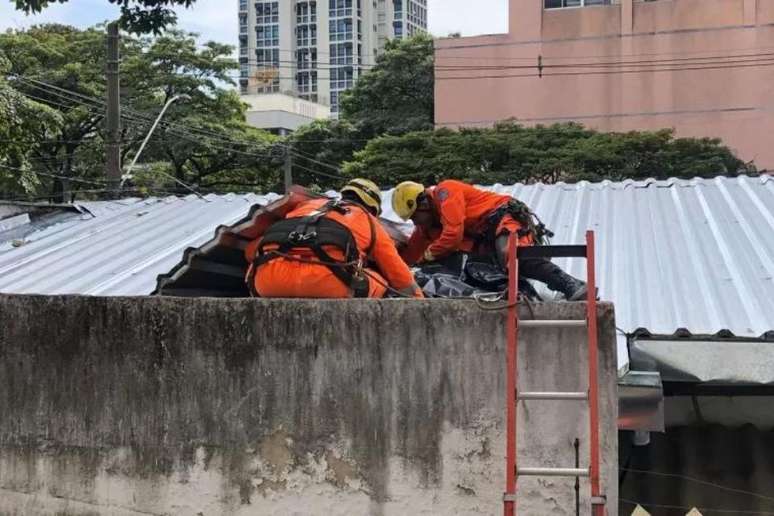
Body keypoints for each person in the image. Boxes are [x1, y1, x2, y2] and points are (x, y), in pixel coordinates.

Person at [391, 179, 588, 301]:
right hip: (487, 236)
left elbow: (453, 235)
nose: (417, 223)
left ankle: (570, 284)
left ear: (423, 203)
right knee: (482, 269)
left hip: (503, 217)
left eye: (416, 216)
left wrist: (429, 254)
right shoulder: (426, 227)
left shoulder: (445, 193)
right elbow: (410, 255)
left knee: (512, 256)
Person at [247, 178, 423, 299]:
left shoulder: (304, 206)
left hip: (268, 282)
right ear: (373, 208)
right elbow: (398, 273)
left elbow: (251, 251)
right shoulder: (368, 219)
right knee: (381, 280)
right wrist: (420, 300)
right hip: (324, 283)